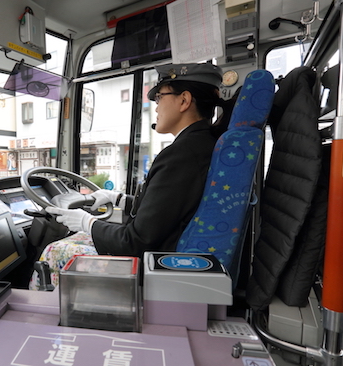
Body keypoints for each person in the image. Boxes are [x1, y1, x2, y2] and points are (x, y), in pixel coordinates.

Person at [32, 62, 225, 289]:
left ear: (184, 100)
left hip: (152, 264)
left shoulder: (181, 155)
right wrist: (119, 199)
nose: (156, 107)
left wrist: (86, 222)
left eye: (159, 97)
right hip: (163, 252)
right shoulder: (199, 145)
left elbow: (135, 242)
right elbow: (165, 214)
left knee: (55, 251)